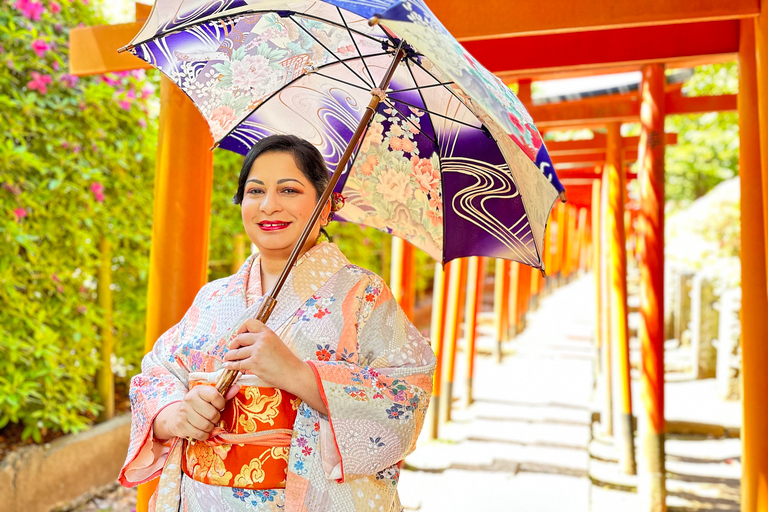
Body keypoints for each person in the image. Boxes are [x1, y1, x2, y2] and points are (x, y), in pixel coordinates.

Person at [119, 134, 437, 512]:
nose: (269, 205)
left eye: (289, 190)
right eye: (255, 191)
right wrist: (176, 416)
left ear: (325, 206)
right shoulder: (214, 297)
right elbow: (157, 372)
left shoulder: (363, 294)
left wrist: (296, 374)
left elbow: (408, 393)